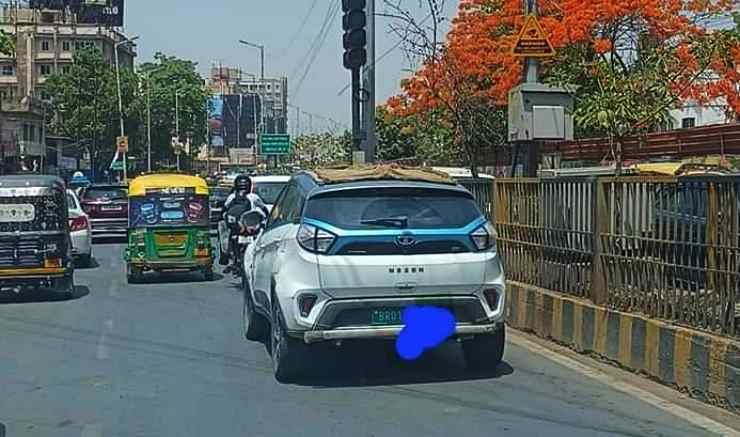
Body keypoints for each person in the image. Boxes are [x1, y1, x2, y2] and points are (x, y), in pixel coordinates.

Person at [222, 175, 267, 274]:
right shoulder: (254, 197)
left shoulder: (232, 197)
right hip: (251, 227)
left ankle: (230, 260)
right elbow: (264, 209)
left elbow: (224, 208)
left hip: (237, 227)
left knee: (230, 237)